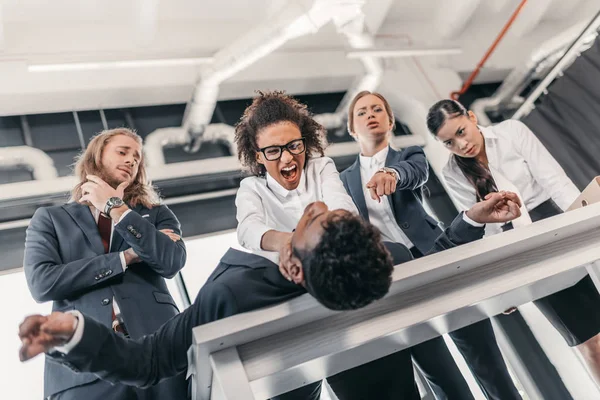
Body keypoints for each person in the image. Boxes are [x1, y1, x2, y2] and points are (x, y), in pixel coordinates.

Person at [19, 194, 522, 400]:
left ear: (293, 266)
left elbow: (149, 360)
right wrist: (470, 221)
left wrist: (76, 334)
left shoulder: (234, 295)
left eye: (312, 220)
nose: (319, 203)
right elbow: (439, 270)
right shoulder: (376, 265)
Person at [341, 90, 520, 400]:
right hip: (393, 280)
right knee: (438, 372)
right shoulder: (343, 181)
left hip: (436, 257)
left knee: (484, 358)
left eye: (377, 109)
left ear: (391, 120)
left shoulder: (410, 156)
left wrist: (392, 174)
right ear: (351, 128)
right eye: (362, 112)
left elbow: (414, 174)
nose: (371, 114)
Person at [428, 98, 600, 384]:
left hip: (560, 221)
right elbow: (484, 230)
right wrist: (505, 286)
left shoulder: (512, 132)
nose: (460, 146)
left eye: (460, 132)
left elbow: (555, 182)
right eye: (448, 143)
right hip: (524, 250)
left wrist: (587, 224)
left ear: (471, 117)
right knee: (588, 342)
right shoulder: (452, 172)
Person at [23, 128, 188, 400]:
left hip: (160, 354)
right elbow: (42, 283)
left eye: (137, 158)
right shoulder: (50, 219)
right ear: (96, 157)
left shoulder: (155, 214)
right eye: (122, 152)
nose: (132, 161)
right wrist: (126, 257)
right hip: (82, 373)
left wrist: (117, 209)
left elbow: (170, 262)